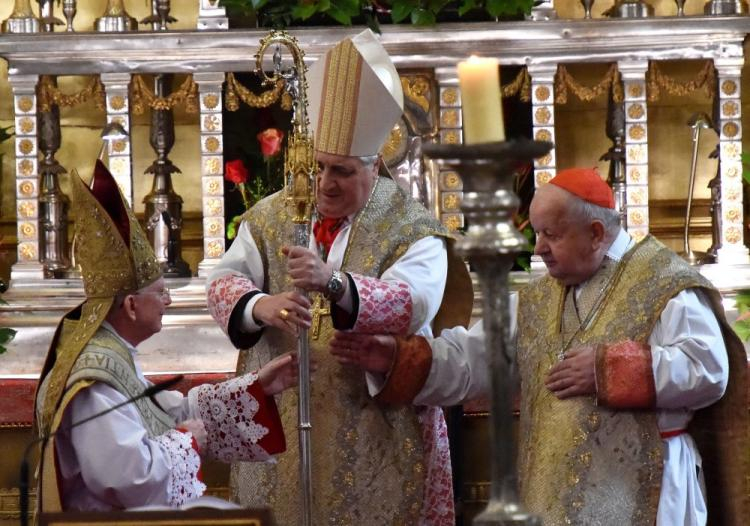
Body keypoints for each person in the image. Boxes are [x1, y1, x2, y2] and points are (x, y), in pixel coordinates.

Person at [332, 167, 748, 526]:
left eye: (552, 234)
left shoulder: (663, 284)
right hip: (553, 492)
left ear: (596, 233)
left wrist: (609, 369)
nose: (540, 248)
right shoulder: (538, 298)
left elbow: (707, 368)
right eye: (537, 234)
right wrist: (396, 358)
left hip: (649, 488)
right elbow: (472, 360)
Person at [206, 29, 473, 525]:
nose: (325, 183)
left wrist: (334, 281)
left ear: (374, 167)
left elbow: (414, 302)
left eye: (343, 172)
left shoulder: (412, 228)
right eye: (319, 167)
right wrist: (258, 306)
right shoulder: (272, 215)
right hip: (287, 412)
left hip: (378, 425)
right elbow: (225, 279)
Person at [34, 161, 299, 513]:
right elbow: (128, 480)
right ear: (130, 305)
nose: (168, 300)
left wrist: (255, 389)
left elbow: (159, 411)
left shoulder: (111, 353)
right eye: (159, 292)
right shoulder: (95, 380)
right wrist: (186, 442)